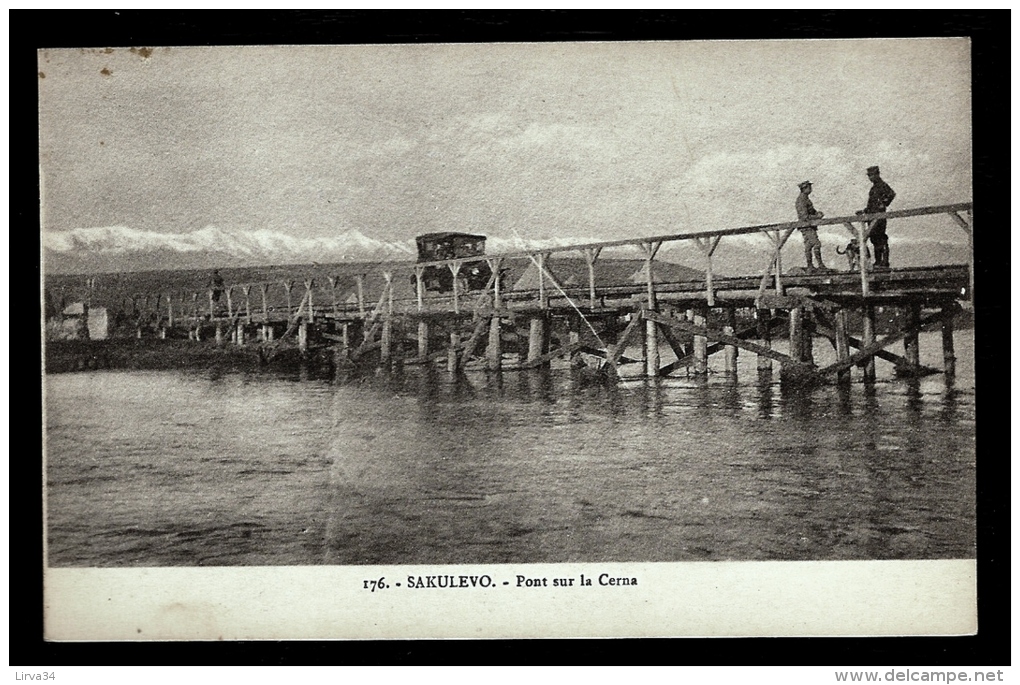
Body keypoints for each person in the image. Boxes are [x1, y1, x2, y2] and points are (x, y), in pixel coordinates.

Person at [858, 166, 896, 269]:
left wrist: (884, 204)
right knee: (874, 238)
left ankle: (884, 262)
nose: (870, 178)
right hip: (872, 216)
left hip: (879, 217)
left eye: (872, 175)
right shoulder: (873, 188)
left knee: (881, 238)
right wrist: (864, 211)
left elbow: (891, 194)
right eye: (869, 176)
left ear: (877, 174)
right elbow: (871, 204)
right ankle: (878, 261)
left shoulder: (882, 185)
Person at [795, 180, 827, 270]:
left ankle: (810, 266)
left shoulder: (805, 199)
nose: (811, 189)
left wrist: (817, 213)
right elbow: (804, 216)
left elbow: (811, 211)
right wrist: (817, 216)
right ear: (804, 189)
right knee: (817, 244)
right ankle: (819, 265)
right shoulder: (801, 200)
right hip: (806, 226)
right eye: (809, 187)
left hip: (809, 226)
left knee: (809, 245)